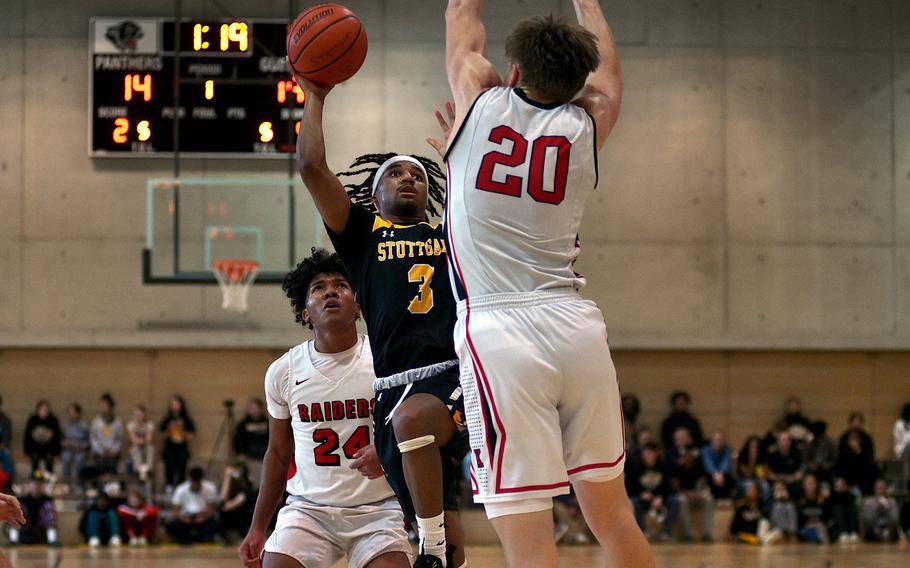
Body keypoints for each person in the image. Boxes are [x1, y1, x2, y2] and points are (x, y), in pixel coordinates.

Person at [443, 2, 655, 566]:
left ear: (513, 73)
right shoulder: (589, 123)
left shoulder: (478, 98)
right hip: (575, 328)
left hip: (499, 331)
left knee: (529, 534)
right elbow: (608, 76)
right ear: (577, 83)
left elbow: (461, 14)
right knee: (612, 515)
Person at [292, 58, 467, 567]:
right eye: (396, 175)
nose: (408, 179)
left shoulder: (451, 233)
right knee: (435, 514)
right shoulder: (364, 237)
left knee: (416, 427)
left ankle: (430, 549)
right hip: (391, 387)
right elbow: (310, 167)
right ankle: (437, 547)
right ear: (374, 194)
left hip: (455, 375)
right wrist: (316, 96)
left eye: (417, 174)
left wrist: (466, 148)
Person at [239, 250, 411, 568]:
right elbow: (277, 453)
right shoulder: (284, 371)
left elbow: (413, 430)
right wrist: (258, 526)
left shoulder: (386, 360)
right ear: (305, 312)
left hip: (378, 508)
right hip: (309, 509)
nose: (330, 291)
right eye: (318, 287)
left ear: (358, 305)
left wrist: (387, 454)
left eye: (341, 285)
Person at [667, 428, 714, 542]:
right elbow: (676, 489)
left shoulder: (699, 466)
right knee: (682, 500)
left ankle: (706, 534)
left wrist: (699, 493)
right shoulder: (676, 468)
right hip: (685, 496)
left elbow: (703, 484)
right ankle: (689, 535)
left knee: (709, 499)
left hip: (697, 496)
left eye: (690, 454)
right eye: (684, 455)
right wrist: (689, 493)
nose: (687, 457)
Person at [625, 442, 679, 542]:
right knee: (634, 501)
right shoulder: (636, 467)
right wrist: (641, 494)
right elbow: (629, 487)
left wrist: (661, 497)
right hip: (643, 499)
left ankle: (667, 533)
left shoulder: (663, 467)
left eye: (649, 452)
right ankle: (643, 532)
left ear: (656, 453)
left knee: (673, 500)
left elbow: (669, 488)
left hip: (659, 499)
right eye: (645, 453)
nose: (647, 455)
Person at [168, 466, 218, 544]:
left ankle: (205, 539)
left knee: (214, 523)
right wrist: (184, 519)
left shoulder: (209, 488)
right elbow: (176, 511)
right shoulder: (181, 489)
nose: (195, 484)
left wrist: (204, 518)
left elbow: (212, 509)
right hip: (186, 517)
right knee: (174, 525)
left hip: (202, 517)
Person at [7, 472, 58, 546]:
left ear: (43, 485)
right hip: (25, 535)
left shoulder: (47, 500)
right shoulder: (23, 499)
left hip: (41, 535)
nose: (36, 485)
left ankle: (52, 539)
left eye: (39, 483)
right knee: (19, 507)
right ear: (29, 484)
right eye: (34, 483)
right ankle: (13, 539)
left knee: (48, 506)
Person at [159, 395, 196, 491]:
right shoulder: (167, 420)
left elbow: (190, 437)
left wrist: (182, 429)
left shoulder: (187, 420)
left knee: (182, 465)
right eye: (173, 404)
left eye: (177, 404)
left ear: (181, 405)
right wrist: (169, 429)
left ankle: (181, 487)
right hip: (169, 448)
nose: (175, 407)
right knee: (169, 464)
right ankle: (169, 486)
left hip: (182, 449)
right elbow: (161, 436)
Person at [730, 481, 781, 546]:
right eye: (748, 490)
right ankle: (762, 540)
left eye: (752, 490)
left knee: (774, 529)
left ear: (758, 493)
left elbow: (766, 525)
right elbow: (733, 530)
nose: (749, 492)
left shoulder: (763, 508)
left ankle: (762, 540)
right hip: (744, 538)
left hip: (760, 536)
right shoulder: (741, 509)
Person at [232, 398, 269, 485]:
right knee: (253, 480)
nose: (254, 411)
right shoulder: (243, 424)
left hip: (265, 455)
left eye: (256, 408)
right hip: (249, 456)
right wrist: (239, 453)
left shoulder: (267, 423)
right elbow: (237, 440)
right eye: (251, 408)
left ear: (260, 409)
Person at [218, 461, 255, 543]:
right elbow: (222, 499)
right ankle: (221, 537)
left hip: (242, 514)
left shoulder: (246, 487)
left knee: (241, 512)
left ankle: (243, 537)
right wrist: (227, 478)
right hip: (229, 513)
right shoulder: (228, 484)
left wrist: (227, 506)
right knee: (220, 510)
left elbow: (235, 503)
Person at [23, 400, 62, 475]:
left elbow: (56, 438)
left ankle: (49, 481)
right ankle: (35, 481)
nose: (45, 412)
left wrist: (57, 453)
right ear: (38, 410)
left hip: (49, 448)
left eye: (46, 410)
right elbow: (27, 437)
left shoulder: (53, 420)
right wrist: (26, 452)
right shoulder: (32, 420)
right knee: (35, 464)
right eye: (43, 410)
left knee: (49, 462)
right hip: (35, 448)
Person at [90, 393, 124, 476]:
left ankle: (111, 486)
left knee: (113, 465)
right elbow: (93, 439)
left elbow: (119, 439)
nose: (103, 407)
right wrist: (101, 451)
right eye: (101, 405)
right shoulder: (96, 422)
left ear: (111, 407)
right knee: (100, 465)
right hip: (100, 453)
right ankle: (100, 487)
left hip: (113, 454)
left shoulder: (117, 422)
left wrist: (113, 450)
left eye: (105, 405)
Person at [61, 403, 90, 485]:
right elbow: (61, 440)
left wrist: (79, 447)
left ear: (78, 413)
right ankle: (66, 484)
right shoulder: (64, 424)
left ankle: (79, 484)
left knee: (79, 459)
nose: (71, 414)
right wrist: (65, 444)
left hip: (80, 450)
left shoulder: (84, 425)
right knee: (66, 458)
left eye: (73, 412)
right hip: (68, 449)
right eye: (69, 412)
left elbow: (87, 442)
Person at [796, 473, 829, 544]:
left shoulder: (822, 499)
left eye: (812, 483)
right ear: (804, 485)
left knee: (821, 528)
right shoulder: (800, 501)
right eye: (808, 483)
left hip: (820, 528)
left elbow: (827, 517)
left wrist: (828, 499)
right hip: (806, 529)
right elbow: (798, 521)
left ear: (816, 484)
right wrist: (808, 524)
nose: (810, 486)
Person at [126, 404, 155, 482]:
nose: (138, 417)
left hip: (145, 448)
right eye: (136, 415)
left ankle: (148, 470)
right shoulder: (130, 425)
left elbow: (149, 439)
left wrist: (140, 440)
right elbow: (133, 440)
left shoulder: (149, 425)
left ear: (144, 415)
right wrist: (142, 440)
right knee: (135, 449)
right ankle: (138, 470)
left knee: (150, 448)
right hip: (135, 448)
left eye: (140, 415)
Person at [701, 430, 734, 499]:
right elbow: (708, 463)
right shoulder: (705, 450)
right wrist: (716, 473)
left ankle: (726, 502)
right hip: (710, 475)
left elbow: (726, 463)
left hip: (723, 476)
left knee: (728, 478)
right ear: (711, 441)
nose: (718, 442)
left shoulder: (728, 449)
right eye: (716, 440)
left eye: (721, 440)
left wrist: (720, 474)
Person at [734, 435, 769, 499]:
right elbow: (747, 475)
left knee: (765, 485)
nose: (754, 448)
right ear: (748, 446)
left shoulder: (760, 458)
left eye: (756, 446)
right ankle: (746, 506)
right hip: (742, 480)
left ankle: (764, 507)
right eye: (752, 446)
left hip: (755, 480)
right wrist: (752, 461)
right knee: (750, 485)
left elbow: (762, 477)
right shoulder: (742, 457)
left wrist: (758, 463)